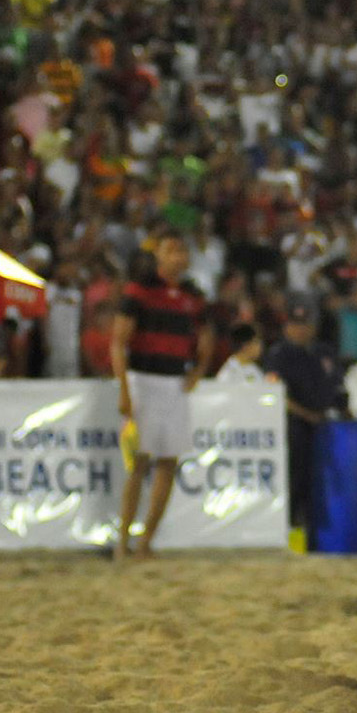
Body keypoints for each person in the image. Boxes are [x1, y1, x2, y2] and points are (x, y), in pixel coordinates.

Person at [112, 229, 212, 559]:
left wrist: (197, 370)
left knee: (168, 462)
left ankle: (145, 542)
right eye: (171, 251)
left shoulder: (192, 296)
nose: (178, 257)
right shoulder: (139, 290)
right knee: (139, 462)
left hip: (174, 382)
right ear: (159, 256)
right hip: (144, 380)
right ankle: (123, 540)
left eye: (182, 251)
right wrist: (125, 389)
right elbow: (118, 342)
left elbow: (206, 337)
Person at [261, 305, 336, 539]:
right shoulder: (278, 355)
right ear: (286, 328)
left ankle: (316, 528)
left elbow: (336, 385)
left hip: (325, 425)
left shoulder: (323, 352)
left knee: (322, 480)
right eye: (295, 325)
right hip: (293, 426)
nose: (301, 330)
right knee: (295, 476)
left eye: (305, 325)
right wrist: (305, 414)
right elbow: (275, 394)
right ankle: (291, 527)